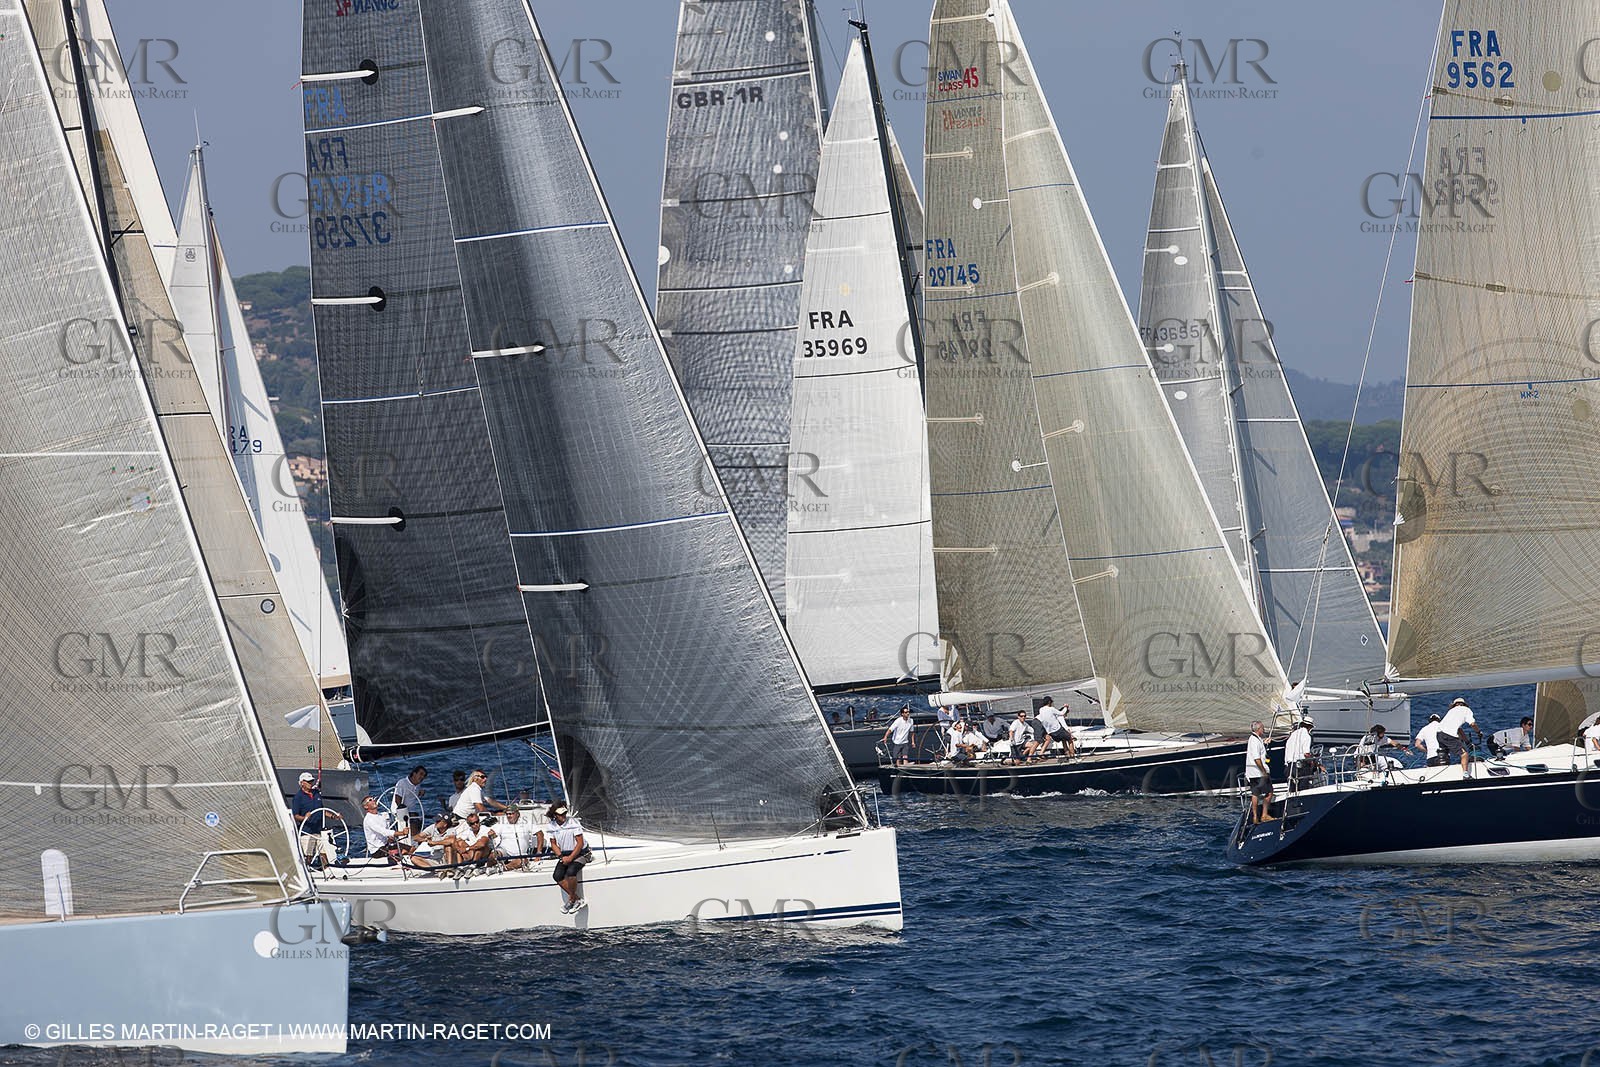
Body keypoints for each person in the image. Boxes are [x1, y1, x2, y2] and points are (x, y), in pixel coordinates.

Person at [290, 771, 344, 869]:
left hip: (320, 830)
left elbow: (322, 810)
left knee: (325, 853)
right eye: (308, 782)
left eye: (311, 781)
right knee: (308, 855)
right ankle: (307, 873)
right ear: (302, 783)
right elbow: (295, 816)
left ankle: (327, 872)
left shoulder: (316, 794)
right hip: (307, 832)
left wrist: (334, 816)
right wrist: (304, 818)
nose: (311, 783)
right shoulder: (298, 798)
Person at [545, 803, 591, 913]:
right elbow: (553, 844)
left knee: (571, 871)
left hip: (581, 853)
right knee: (557, 875)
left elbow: (579, 843)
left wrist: (571, 857)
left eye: (565, 813)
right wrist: (561, 856)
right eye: (561, 814)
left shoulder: (573, 822)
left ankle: (571, 900)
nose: (564, 816)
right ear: (555, 815)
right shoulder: (551, 826)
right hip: (564, 854)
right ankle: (576, 899)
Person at [1437, 698, 1484, 775]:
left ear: (1454, 705)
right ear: (1464, 704)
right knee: (1464, 754)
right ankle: (1465, 774)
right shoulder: (1466, 710)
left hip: (1439, 734)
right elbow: (1472, 724)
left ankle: (1443, 772)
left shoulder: (1451, 711)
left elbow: (1459, 730)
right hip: (1449, 735)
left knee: (1444, 753)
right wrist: (1479, 732)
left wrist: (1466, 742)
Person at [1245, 721, 1273, 824]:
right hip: (1258, 773)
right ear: (1259, 729)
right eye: (1263, 728)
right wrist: (1263, 771)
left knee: (1255, 793)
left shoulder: (1255, 739)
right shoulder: (1255, 741)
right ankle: (1264, 815)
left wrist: (1264, 742)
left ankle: (1255, 817)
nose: (1264, 730)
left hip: (1252, 773)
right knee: (1269, 792)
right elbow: (1257, 758)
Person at [392, 766, 428, 833]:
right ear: (414, 773)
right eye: (421, 774)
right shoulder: (402, 783)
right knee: (415, 829)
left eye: (424, 776)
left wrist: (420, 793)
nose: (422, 777)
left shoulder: (417, 785)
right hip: (400, 813)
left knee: (424, 828)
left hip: (412, 813)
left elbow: (411, 794)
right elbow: (397, 799)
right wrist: (404, 813)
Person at [1283, 715, 1313, 793]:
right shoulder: (1306, 736)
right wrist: (1313, 762)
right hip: (1300, 767)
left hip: (1289, 767)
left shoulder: (1292, 734)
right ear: (1309, 727)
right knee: (1303, 789)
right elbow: (1306, 754)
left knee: (1292, 790)